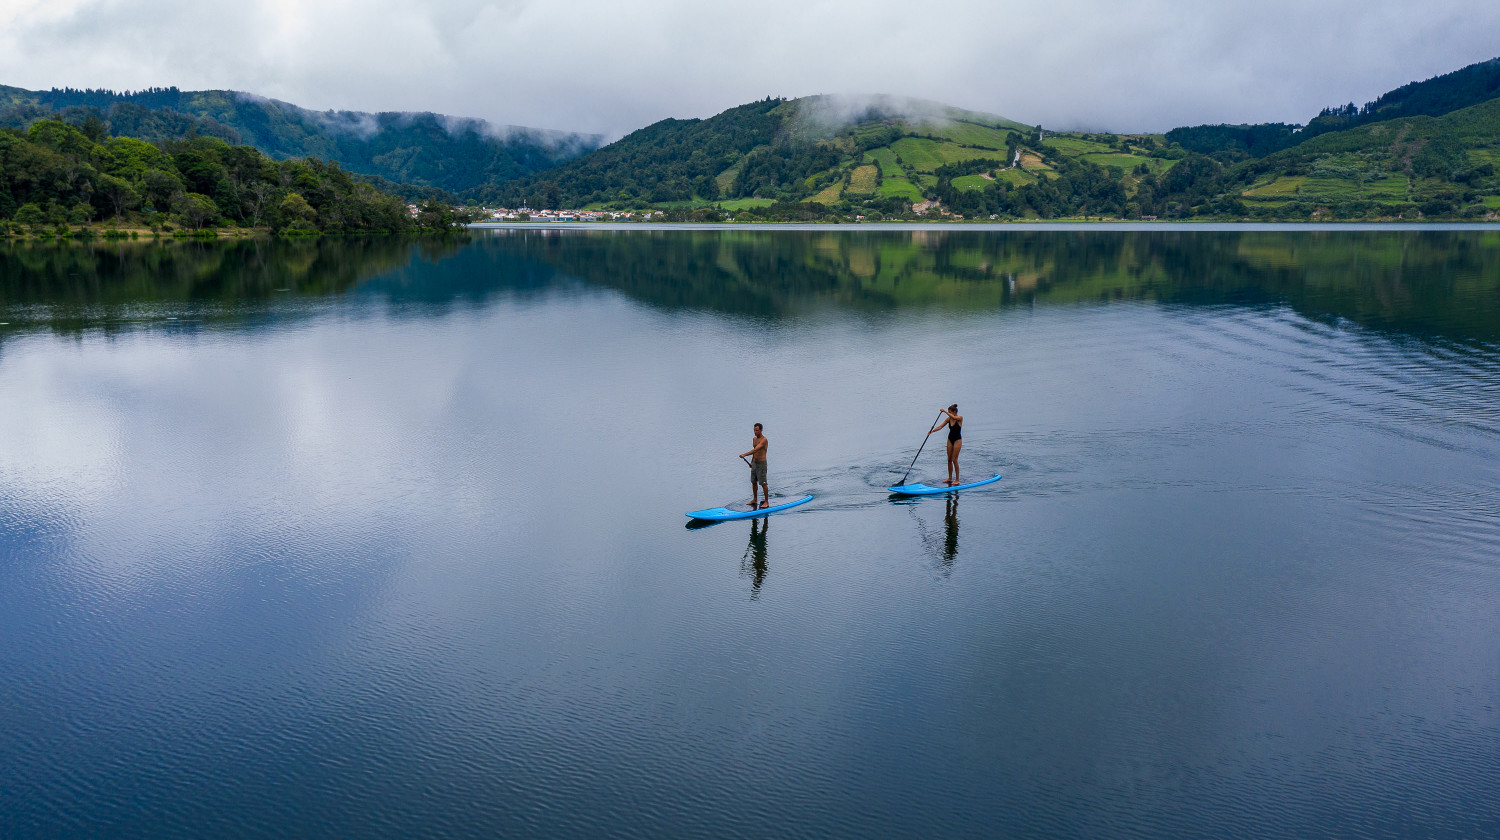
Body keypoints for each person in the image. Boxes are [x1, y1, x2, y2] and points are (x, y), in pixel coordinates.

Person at [926, 404, 962, 485]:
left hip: (957, 440)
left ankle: (957, 479)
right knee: (949, 459)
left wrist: (944, 411)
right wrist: (931, 431)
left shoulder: (960, 418)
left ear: (955, 412)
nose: (948, 414)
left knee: (954, 460)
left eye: (950, 412)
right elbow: (940, 427)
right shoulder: (949, 419)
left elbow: (955, 418)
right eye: (948, 412)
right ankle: (950, 478)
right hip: (950, 439)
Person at [740, 422, 769, 508]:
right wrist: (752, 462)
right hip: (755, 462)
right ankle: (755, 499)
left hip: (762, 463)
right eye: (754, 430)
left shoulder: (764, 440)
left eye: (757, 430)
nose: (755, 432)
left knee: (763, 483)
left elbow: (755, 450)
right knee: (753, 482)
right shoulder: (754, 439)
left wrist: (744, 454)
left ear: (761, 430)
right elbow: (754, 452)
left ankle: (766, 502)